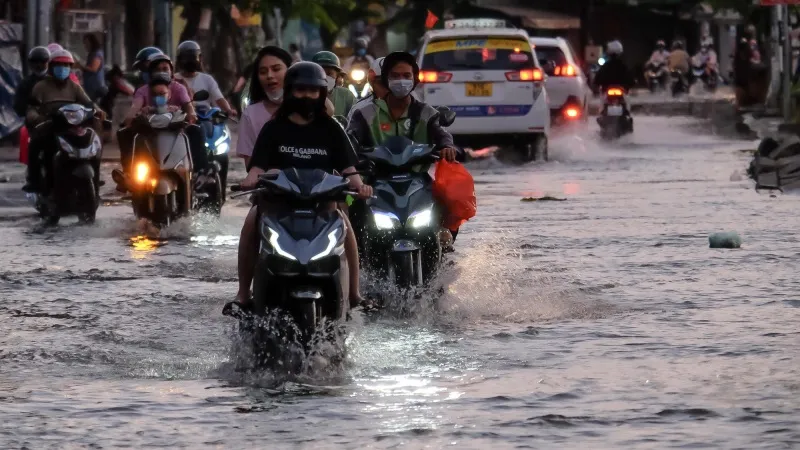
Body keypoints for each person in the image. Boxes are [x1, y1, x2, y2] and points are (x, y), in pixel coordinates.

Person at [233, 61, 373, 309]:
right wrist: (249, 180)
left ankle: (354, 294)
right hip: (278, 205)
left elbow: (349, 169)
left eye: (313, 91)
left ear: (321, 93)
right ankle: (243, 294)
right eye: (300, 90)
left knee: (345, 224)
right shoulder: (274, 128)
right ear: (289, 92)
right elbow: (257, 168)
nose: (306, 96)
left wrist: (360, 187)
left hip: (323, 205)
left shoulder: (332, 128)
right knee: (251, 220)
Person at [346, 51, 462, 244]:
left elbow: (441, 134)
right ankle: (358, 258)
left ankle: (445, 240)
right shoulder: (364, 113)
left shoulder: (426, 112)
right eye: (395, 76)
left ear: (415, 79)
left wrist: (447, 147)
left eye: (406, 76)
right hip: (375, 178)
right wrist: (354, 157)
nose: (401, 81)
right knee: (352, 208)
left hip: (417, 177)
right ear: (386, 79)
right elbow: (350, 139)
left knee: (450, 197)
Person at [114, 52, 208, 188]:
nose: (161, 72)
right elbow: (135, 108)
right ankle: (128, 174)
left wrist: (190, 115)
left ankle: (200, 173)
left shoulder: (179, 88)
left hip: (176, 129)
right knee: (124, 133)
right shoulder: (142, 90)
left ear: (171, 72)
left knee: (197, 130)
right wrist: (131, 117)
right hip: (149, 131)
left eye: (165, 69)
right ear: (151, 73)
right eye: (157, 69)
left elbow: (189, 107)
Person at [23, 49, 106, 193]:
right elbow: (32, 108)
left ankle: (95, 178)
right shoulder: (41, 87)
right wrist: (35, 117)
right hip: (50, 126)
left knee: (93, 145)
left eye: (67, 65)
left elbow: (88, 103)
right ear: (52, 67)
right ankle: (34, 181)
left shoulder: (74, 87)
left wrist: (97, 110)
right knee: (36, 146)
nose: (63, 69)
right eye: (59, 65)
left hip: (72, 127)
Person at [236, 46, 292, 166]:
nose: (269, 75)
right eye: (263, 72)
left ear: (291, 71)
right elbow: (250, 164)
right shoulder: (250, 114)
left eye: (276, 69)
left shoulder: (307, 108)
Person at [174, 40, 237, 117]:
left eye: (194, 57)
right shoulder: (174, 79)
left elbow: (219, 98)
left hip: (204, 118)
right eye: (187, 58)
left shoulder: (207, 79)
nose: (190, 61)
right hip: (181, 119)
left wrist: (228, 110)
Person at [311, 51, 356, 117]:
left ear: (337, 77)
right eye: (320, 73)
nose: (325, 77)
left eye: (329, 73)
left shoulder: (346, 95)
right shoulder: (306, 95)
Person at [14, 47, 50, 119]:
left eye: (42, 61)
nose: (38, 65)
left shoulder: (56, 81)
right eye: (35, 61)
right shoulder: (25, 84)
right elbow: (19, 107)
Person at [77, 33, 106, 102]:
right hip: (90, 87)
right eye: (84, 43)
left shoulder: (97, 53)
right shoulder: (91, 54)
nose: (85, 45)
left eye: (87, 43)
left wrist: (80, 66)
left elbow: (93, 69)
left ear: (92, 42)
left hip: (95, 87)